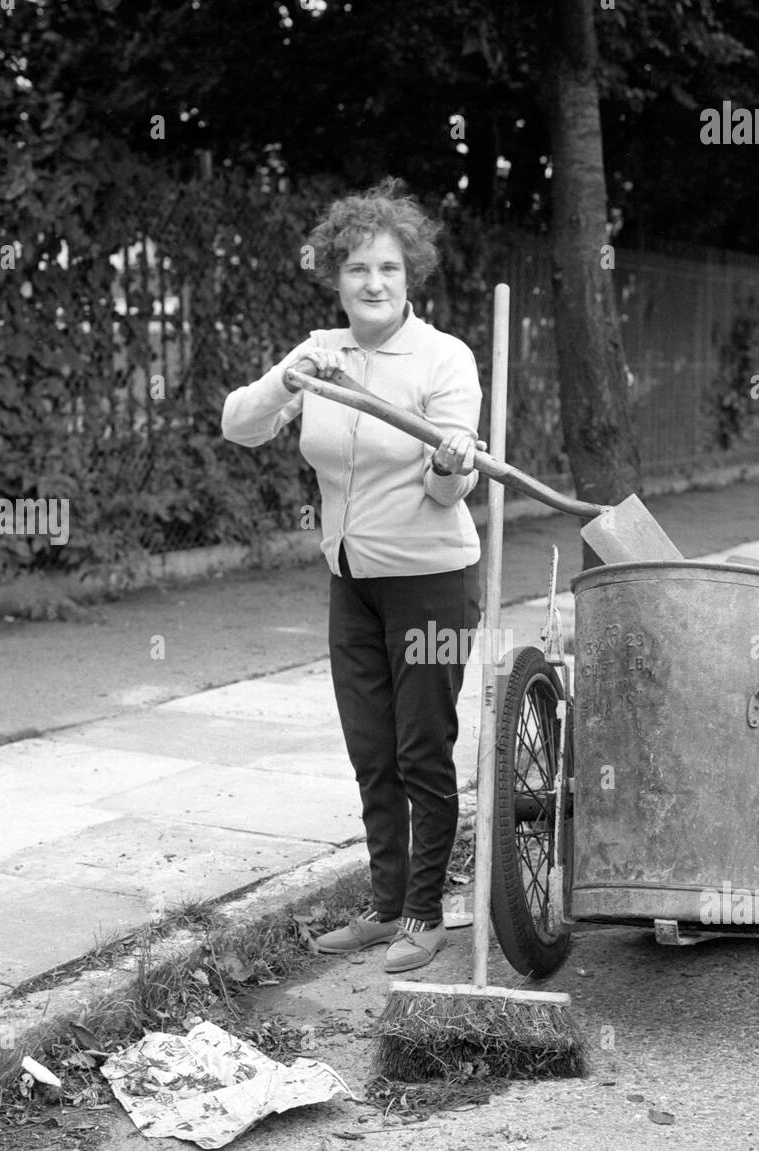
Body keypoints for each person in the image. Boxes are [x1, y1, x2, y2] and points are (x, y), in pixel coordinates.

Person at [221, 179, 484, 974]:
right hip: (351, 582)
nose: (373, 283)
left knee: (421, 751)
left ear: (411, 280)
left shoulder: (443, 358)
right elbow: (241, 426)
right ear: (335, 278)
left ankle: (426, 914)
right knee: (371, 751)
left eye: (388, 270)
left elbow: (452, 487)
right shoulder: (320, 352)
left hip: (433, 581)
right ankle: (384, 905)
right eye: (358, 269)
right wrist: (288, 379)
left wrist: (448, 466)